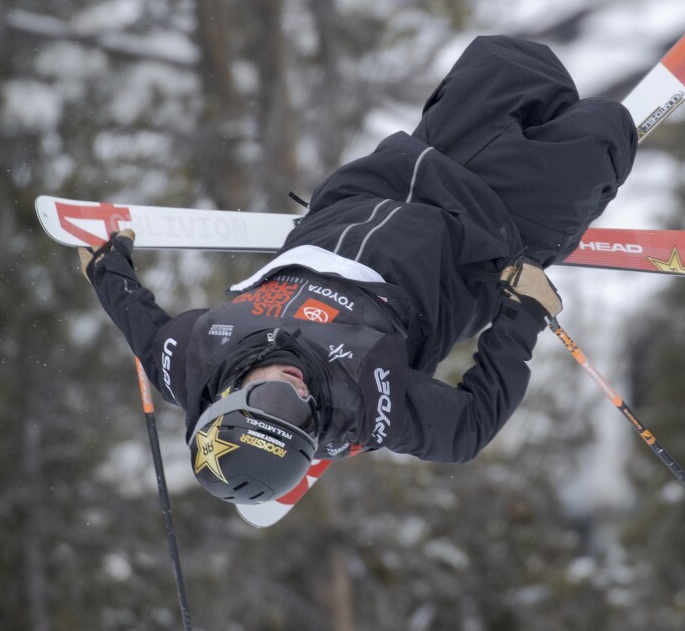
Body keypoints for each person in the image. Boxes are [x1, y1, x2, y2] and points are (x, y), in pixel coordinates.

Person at [79, 35, 637, 506]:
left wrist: (107, 270)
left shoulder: (190, 361)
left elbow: (143, 328)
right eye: (303, 419)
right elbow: (467, 430)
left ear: (225, 398)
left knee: (507, 60)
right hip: (483, 230)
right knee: (604, 132)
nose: (298, 395)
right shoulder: (364, 405)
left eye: (275, 404)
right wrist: (523, 314)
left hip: (388, 178)